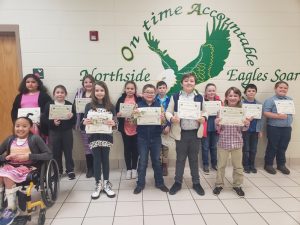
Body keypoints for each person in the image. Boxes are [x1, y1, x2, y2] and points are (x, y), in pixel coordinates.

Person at [0, 117, 52, 225]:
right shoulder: (10, 139)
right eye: (17, 126)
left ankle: (12, 209)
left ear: (30, 127)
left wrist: (28, 156)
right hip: (11, 166)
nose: (20, 129)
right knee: (1, 175)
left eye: (24, 126)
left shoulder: (35, 139)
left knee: (7, 176)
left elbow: (49, 155)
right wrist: (6, 158)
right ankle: (2, 205)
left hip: (28, 168)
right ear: (14, 127)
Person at [165, 73, 207, 196]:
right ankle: (177, 182)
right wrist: (172, 118)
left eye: (192, 81)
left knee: (194, 159)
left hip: (195, 133)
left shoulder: (199, 97)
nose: (189, 83)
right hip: (181, 133)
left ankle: (196, 183)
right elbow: (168, 111)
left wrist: (203, 117)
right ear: (181, 83)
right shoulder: (176, 96)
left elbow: (205, 112)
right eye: (186, 81)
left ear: (195, 83)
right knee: (180, 159)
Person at [213, 87, 250, 197]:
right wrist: (217, 123)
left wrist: (247, 124)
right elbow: (218, 129)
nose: (233, 97)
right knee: (221, 165)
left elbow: (243, 129)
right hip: (223, 143)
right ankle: (219, 184)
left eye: (235, 96)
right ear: (226, 97)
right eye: (230, 95)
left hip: (237, 143)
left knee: (238, 166)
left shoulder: (242, 111)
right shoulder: (221, 110)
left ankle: (237, 185)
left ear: (239, 98)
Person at [82, 81, 117, 199]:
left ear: (105, 92)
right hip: (94, 137)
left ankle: (106, 183)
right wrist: (84, 122)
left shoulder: (110, 106)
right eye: (97, 90)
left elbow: (115, 124)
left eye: (102, 90)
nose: (99, 92)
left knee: (105, 159)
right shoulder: (89, 106)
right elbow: (83, 123)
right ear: (93, 92)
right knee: (96, 160)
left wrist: (113, 123)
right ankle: (98, 184)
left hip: (106, 136)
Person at [133, 84, 169, 194]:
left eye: (152, 92)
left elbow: (163, 123)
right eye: (147, 92)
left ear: (155, 94)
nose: (150, 94)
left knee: (157, 161)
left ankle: (160, 183)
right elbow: (133, 123)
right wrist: (134, 117)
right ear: (143, 94)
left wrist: (163, 120)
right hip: (142, 138)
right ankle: (140, 184)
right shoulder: (137, 105)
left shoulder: (159, 105)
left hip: (156, 137)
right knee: (143, 161)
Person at [42, 85, 76, 180]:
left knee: (68, 151)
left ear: (65, 94)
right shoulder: (49, 105)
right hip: (54, 132)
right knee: (56, 152)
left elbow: (74, 120)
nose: (60, 94)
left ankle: (70, 170)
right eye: (57, 92)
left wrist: (72, 116)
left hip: (67, 132)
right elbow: (45, 119)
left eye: (62, 92)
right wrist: (53, 123)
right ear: (54, 94)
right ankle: (58, 171)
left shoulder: (69, 104)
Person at [263, 81, 293, 175]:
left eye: (285, 88)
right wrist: (278, 116)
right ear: (275, 88)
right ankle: (268, 165)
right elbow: (265, 113)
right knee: (272, 146)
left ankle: (281, 165)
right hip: (274, 127)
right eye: (281, 87)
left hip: (287, 128)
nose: (283, 89)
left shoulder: (289, 100)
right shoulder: (270, 100)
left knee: (283, 147)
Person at [11, 74, 52, 138]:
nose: (30, 84)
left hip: (38, 127)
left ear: (38, 84)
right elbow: (14, 111)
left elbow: (50, 110)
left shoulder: (44, 96)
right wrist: (17, 123)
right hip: (23, 126)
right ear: (25, 84)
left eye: (33, 82)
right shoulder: (19, 96)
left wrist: (42, 117)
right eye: (28, 82)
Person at [116, 81, 141, 180]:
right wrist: (118, 115)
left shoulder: (139, 99)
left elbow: (143, 111)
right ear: (125, 89)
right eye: (128, 88)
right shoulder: (121, 99)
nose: (130, 90)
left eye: (132, 88)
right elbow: (116, 112)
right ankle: (128, 169)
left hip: (136, 129)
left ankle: (134, 169)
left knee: (135, 149)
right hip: (125, 129)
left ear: (135, 90)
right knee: (127, 149)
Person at [74, 74, 95, 178]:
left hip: (95, 125)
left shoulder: (97, 93)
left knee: (95, 146)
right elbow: (75, 107)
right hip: (83, 125)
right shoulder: (79, 94)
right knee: (87, 147)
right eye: (86, 82)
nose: (88, 84)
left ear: (94, 83)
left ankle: (96, 167)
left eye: (90, 82)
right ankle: (90, 168)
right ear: (83, 83)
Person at [242, 84, 263, 173]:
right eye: (249, 91)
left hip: (255, 130)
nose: (251, 92)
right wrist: (245, 119)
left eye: (253, 91)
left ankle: (252, 165)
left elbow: (261, 118)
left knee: (253, 149)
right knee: (246, 149)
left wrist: (260, 130)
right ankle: (245, 165)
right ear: (246, 92)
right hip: (245, 130)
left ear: (255, 92)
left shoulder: (259, 104)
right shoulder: (242, 104)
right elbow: (239, 117)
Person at [201, 83, 220, 174]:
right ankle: (205, 165)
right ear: (206, 92)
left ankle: (214, 164)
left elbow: (222, 114)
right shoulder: (202, 101)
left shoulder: (219, 101)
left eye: (213, 90)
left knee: (214, 147)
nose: (211, 92)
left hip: (215, 128)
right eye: (209, 90)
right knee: (205, 147)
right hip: (205, 128)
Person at [155, 81, 171, 176]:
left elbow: (172, 113)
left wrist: (168, 125)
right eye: (160, 88)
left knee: (165, 146)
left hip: (166, 126)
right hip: (156, 126)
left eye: (163, 88)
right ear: (157, 89)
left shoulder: (170, 100)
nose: (162, 89)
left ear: (166, 89)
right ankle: (159, 164)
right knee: (157, 146)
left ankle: (164, 165)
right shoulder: (153, 99)